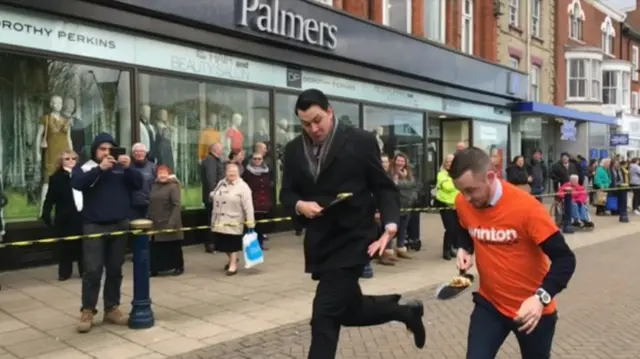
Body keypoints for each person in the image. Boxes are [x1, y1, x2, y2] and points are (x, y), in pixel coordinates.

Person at [279, 89, 426, 359]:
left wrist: (391, 225)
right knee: (348, 310)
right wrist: (300, 205)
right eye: (305, 123)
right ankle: (406, 311)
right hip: (321, 243)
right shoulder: (292, 151)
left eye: (317, 120)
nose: (313, 128)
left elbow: (384, 188)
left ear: (330, 111)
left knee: (324, 313)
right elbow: (286, 193)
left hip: (354, 239)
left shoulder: (360, 141)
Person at [448, 147, 576, 359]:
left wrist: (541, 298)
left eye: (471, 190)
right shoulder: (463, 203)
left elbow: (565, 259)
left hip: (533, 311)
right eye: (461, 191)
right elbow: (465, 226)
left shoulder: (527, 209)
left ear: (491, 177)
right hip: (490, 305)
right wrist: (465, 248)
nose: (466, 198)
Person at [71, 133, 143, 333]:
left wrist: (129, 167)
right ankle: (87, 310)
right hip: (94, 225)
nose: (106, 152)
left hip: (119, 224)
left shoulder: (121, 168)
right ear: (95, 151)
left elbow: (139, 183)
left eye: (109, 149)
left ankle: (112, 308)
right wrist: (99, 169)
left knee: (114, 269)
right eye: (102, 149)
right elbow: (77, 183)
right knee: (92, 271)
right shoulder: (87, 167)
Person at [41, 150, 83, 281]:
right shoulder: (56, 178)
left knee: (83, 246)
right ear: (61, 161)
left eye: (73, 158)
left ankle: (84, 271)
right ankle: (65, 272)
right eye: (67, 159)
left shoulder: (82, 174)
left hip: (81, 215)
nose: (71, 161)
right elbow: (50, 199)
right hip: (65, 217)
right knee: (65, 247)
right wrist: (46, 214)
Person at [210, 163, 255, 275]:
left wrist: (250, 222)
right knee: (221, 244)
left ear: (238, 173)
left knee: (232, 244)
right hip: (219, 220)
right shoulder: (221, 183)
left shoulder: (243, 187)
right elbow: (215, 193)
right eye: (229, 171)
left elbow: (248, 206)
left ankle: (233, 265)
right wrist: (212, 195)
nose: (232, 173)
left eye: (234, 172)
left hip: (234, 220)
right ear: (226, 172)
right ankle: (232, 259)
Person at [148, 165, 184, 276]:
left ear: (168, 174)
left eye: (164, 173)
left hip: (169, 220)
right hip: (156, 222)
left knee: (173, 246)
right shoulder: (154, 186)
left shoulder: (173, 186)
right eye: (160, 173)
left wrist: (172, 223)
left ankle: (178, 266)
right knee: (156, 248)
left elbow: (176, 205)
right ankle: (156, 268)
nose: (162, 175)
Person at [389, 152, 418, 260]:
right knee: (392, 229)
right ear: (395, 161)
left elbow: (413, 185)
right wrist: (404, 182)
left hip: (407, 205)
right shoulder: (391, 172)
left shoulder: (409, 173)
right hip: (395, 205)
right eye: (398, 160)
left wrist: (413, 196)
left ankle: (400, 248)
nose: (400, 163)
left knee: (403, 229)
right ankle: (388, 251)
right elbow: (394, 185)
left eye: (402, 161)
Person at [242, 152, 273, 250]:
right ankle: (252, 244)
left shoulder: (267, 171)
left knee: (262, 225)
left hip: (264, 202)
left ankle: (260, 243)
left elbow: (270, 184)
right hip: (253, 202)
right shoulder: (247, 172)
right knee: (253, 224)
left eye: (259, 159)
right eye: (255, 159)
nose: (257, 161)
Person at [435, 153, 459, 260]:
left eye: (452, 161)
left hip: (457, 205)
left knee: (456, 228)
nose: (450, 163)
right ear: (444, 163)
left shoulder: (456, 174)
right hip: (445, 204)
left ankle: (451, 248)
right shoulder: (441, 174)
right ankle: (446, 250)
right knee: (450, 228)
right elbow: (447, 187)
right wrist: (456, 183)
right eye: (448, 161)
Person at [201, 143, 224, 253]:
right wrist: (215, 194)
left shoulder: (215, 160)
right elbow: (211, 178)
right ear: (216, 149)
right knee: (212, 220)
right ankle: (210, 244)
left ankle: (215, 242)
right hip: (213, 196)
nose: (222, 151)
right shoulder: (210, 160)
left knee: (215, 220)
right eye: (221, 149)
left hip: (216, 194)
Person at [130, 143, 156, 218]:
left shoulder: (153, 167)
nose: (139, 153)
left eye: (141, 151)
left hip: (150, 205)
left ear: (145, 153)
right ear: (132, 154)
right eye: (136, 151)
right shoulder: (128, 167)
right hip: (132, 206)